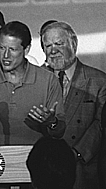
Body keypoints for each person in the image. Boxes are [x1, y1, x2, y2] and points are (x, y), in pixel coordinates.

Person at [37, 21, 106, 189]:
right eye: (48, 46)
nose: (53, 50)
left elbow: (100, 124)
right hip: (44, 171)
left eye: (59, 44)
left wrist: (75, 154)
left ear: (73, 44)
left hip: (83, 168)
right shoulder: (37, 79)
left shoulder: (99, 80)